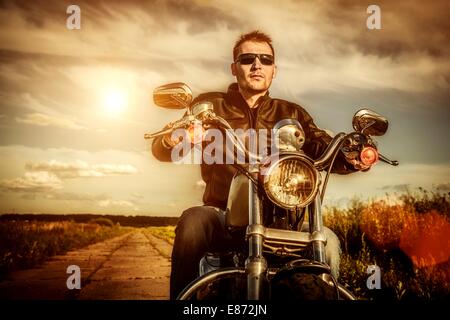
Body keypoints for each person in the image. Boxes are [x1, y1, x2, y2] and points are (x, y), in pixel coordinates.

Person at [152, 30, 370, 299]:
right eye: (247, 59)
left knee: (331, 242)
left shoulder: (292, 113)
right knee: (193, 222)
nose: (257, 65)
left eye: (265, 60)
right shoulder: (210, 107)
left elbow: (319, 145)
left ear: (274, 70)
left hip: (286, 218)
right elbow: (162, 148)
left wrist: (351, 155)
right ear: (234, 67)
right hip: (223, 214)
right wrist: (176, 138)